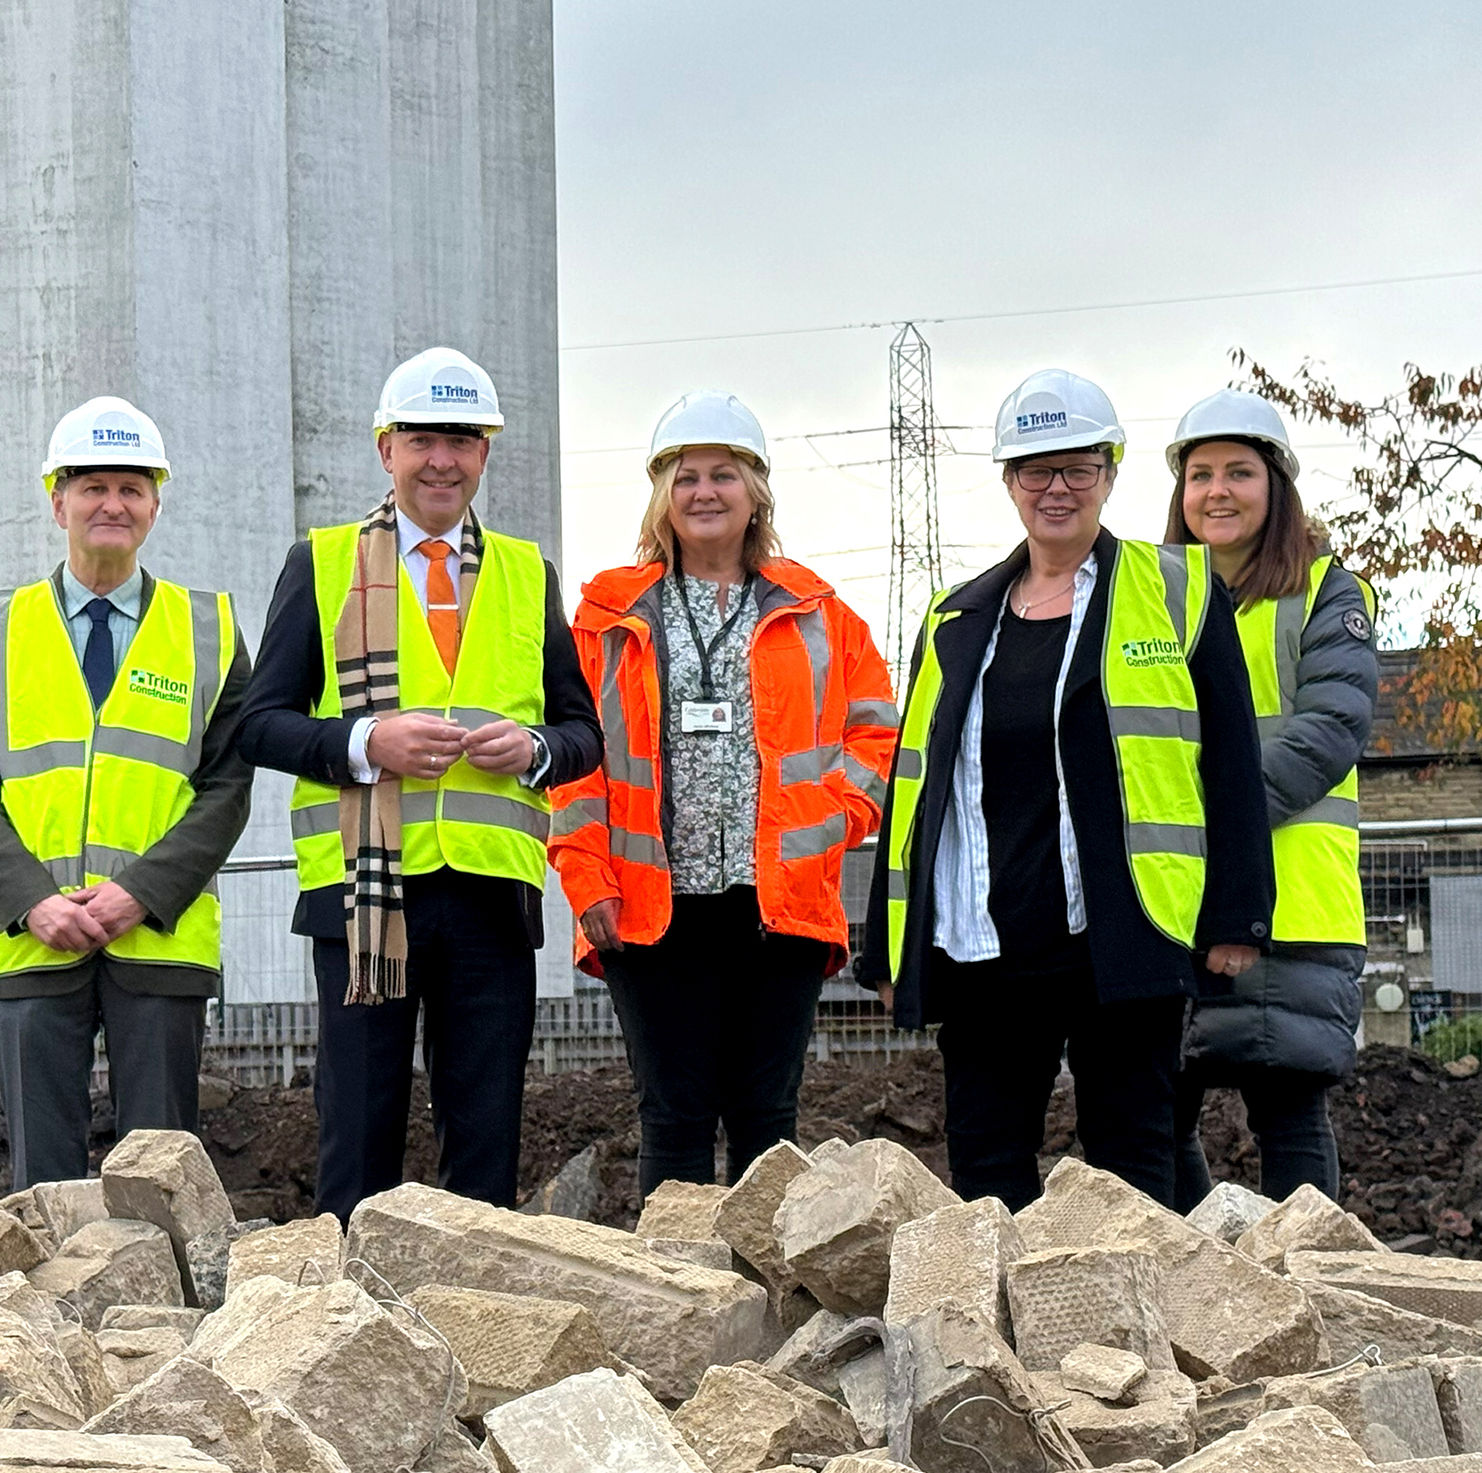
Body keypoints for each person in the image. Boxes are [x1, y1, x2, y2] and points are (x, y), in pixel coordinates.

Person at [859, 369, 1274, 1209]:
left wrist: (1236, 915)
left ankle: (1127, 1340)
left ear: (1110, 472)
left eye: (1077, 467)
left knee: (1132, 1157)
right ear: (1009, 482)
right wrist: (889, 946)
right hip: (985, 943)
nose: (1056, 488)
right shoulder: (956, 617)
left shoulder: (1180, 591)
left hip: (1120, 930)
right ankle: (998, 1334)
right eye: (1035, 470)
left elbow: (1230, 762)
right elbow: (917, 792)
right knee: (984, 1167)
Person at [238, 346, 601, 1221]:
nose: (443, 458)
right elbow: (260, 722)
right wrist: (368, 739)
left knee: (486, 1136)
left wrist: (536, 749)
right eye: (423, 438)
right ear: (385, 449)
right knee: (357, 1133)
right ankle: (345, 1318)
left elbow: (585, 734)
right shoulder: (320, 563)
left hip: (487, 897)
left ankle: (476, 1319)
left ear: (484, 455)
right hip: (365, 899)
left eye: (463, 440)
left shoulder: (527, 572)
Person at [549, 391, 896, 1197]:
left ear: (756, 494)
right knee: (671, 1111)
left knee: (767, 1114)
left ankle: (770, 1296)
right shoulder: (608, 617)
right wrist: (587, 876)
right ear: (662, 496)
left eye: (724, 476)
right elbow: (576, 762)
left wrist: (834, 817)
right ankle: (681, 1297)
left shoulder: (820, 613)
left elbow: (878, 731)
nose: (705, 492)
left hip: (778, 904)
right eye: (687, 477)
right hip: (653, 906)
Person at [0, 398, 252, 1187]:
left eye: (131, 487)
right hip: (33, 940)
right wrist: (30, 899)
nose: (112, 503)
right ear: (58, 501)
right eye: (91, 486)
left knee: (162, 1177)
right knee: (43, 1182)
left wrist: (138, 894)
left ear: (155, 504)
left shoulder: (208, 628)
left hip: (158, 942)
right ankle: (39, 1317)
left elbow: (227, 785)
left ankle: (168, 1317)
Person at [1163, 391, 1378, 1206]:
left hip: (1293, 906)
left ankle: (1304, 1297)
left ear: (1277, 485)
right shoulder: (1149, 599)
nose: (1217, 491)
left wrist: (1212, 823)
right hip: (1174, 900)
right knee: (1156, 1114)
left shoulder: (1325, 591)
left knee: (1287, 1115)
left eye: (1239, 473)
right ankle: (1196, 1293)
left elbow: (1330, 728)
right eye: (1201, 474)